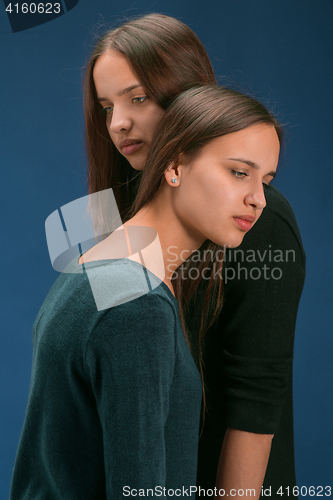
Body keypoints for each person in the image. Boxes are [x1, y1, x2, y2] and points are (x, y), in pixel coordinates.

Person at [10, 85, 281, 499]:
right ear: (174, 165)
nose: (258, 199)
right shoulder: (138, 306)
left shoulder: (98, 265)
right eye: (239, 172)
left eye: (266, 180)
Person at [83, 13, 305, 499]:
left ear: (190, 96)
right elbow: (91, 352)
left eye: (138, 98)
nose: (119, 122)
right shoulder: (106, 205)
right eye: (106, 106)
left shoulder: (258, 217)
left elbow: (256, 395)